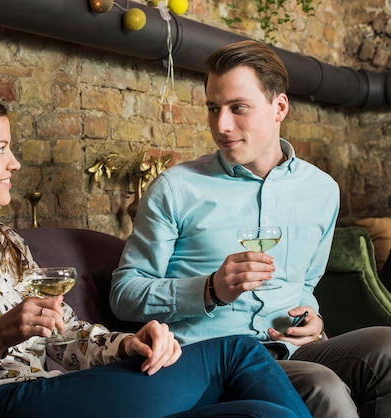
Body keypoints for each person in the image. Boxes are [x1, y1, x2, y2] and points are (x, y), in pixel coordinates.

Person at [0, 80, 312, 418]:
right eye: (0, 149)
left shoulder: (5, 243)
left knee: (262, 413)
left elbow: (62, 336)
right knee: (237, 352)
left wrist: (126, 344)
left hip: (53, 393)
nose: (14, 163)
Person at [110, 39, 391, 418]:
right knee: (323, 386)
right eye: (214, 109)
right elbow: (125, 294)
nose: (221, 125)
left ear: (279, 107)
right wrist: (209, 289)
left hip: (293, 350)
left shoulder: (321, 190)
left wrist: (313, 318)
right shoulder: (177, 188)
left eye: (238, 108)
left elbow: (304, 285)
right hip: (213, 359)